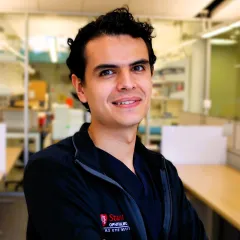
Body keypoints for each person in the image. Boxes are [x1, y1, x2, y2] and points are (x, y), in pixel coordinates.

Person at [24, 7, 208, 240]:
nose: (127, 83)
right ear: (80, 88)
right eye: (108, 72)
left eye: (138, 68)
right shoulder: (53, 171)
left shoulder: (163, 172)